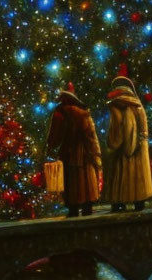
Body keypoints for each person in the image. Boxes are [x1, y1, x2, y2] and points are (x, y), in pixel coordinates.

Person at [46, 84, 103, 217]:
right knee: (86, 182)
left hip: (68, 153)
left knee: (72, 184)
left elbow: (55, 136)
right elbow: (91, 137)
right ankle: (87, 207)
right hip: (85, 154)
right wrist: (95, 154)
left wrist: (50, 147)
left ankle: (73, 209)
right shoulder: (84, 114)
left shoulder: (60, 113)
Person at [105, 75, 152, 213]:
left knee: (122, 173)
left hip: (123, 151)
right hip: (140, 149)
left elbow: (116, 137)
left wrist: (110, 146)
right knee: (139, 176)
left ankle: (120, 201)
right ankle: (140, 199)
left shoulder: (117, 107)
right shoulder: (139, 106)